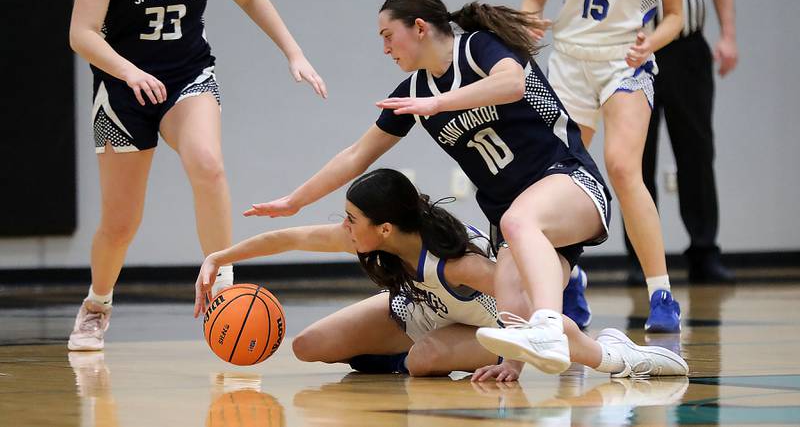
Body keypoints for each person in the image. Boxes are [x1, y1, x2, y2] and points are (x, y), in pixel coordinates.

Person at [246, 0, 615, 376]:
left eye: (388, 36)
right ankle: (619, 357)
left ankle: (549, 327)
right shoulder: (415, 93)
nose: (385, 48)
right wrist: (296, 200)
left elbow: (513, 83)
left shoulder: (476, 48)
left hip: (571, 180)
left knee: (519, 223)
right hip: (516, 220)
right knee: (513, 305)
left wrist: (439, 103)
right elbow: (355, 155)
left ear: (419, 27)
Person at [67, 0, 327, 351]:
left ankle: (223, 282)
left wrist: (293, 52)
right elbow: (81, 33)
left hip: (188, 78)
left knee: (208, 164)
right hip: (123, 91)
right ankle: (98, 303)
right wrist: (129, 70)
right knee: (120, 225)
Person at [195, 168, 688, 380]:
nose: (344, 227)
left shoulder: (459, 264)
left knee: (422, 361)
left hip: (492, 322)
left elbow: (518, 292)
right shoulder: (375, 239)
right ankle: (409, 356)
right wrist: (220, 257)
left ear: (384, 228)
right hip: (423, 309)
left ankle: (616, 353)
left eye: (352, 219)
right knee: (309, 346)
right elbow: (287, 239)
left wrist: (513, 364)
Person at [520, 0, 684, 333]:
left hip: (624, 62)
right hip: (569, 62)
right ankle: (571, 280)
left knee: (620, 167)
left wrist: (650, 42)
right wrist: (529, 24)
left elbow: (675, 14)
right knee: (561, 180)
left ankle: (661, 294)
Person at [629, 0, 737, 284]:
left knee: (696, 152)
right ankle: (642, 263)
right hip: (633, 52)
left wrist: (728, 35)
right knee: (634, 159)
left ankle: (704, 252)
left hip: (686, 48)